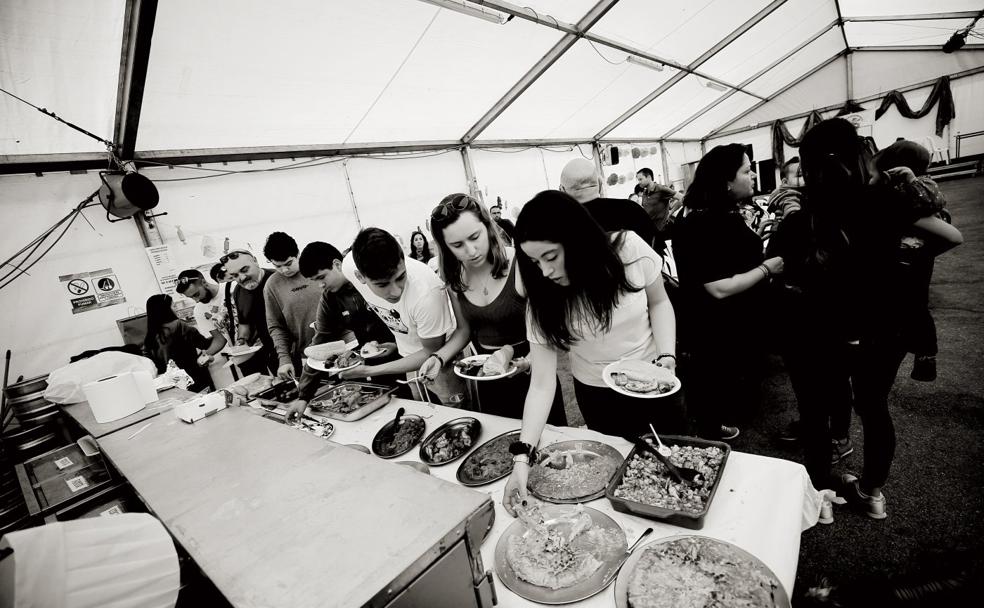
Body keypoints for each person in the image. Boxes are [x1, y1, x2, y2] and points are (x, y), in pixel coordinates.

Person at [768, 118, 915, 519]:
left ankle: (820, 499)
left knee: (816, 412)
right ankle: (871, 493)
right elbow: (938, 239)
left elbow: (777, 266)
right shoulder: (890, 206)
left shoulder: (803, 220)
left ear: (809, 166)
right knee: (874, 406)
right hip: (879, 327)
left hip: (817, 330)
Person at [502, 190, 678, 516]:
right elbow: (541, 384)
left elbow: (660, 301)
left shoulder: (629, 250)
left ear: (577, 238)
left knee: (672, 472)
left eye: (551, 257)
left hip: (655, 381)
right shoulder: (542, 294)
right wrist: (522, 459)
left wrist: (667, 357)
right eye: (534, 261)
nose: (544, 271)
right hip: (597, 395)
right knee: (620, 483)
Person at [419, 193, 567, 424]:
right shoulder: (455, 278)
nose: (471, 251)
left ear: (488, 227)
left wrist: (526, 362)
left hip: (533, 370)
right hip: (487, 376)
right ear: (445, 248)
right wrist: (438, 358)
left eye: (475, 237)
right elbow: (463, 330)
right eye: (457, 245)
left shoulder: (521, 264)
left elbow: (548, 330)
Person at [672, 144, 784, 441]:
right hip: (718, 325)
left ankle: (716, 417)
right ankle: (714, 426)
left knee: (721, 378)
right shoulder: (705, 222)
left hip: (726, 323)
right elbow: (718, 288)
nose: (753, 177)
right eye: (747, 171)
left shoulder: (716, 215)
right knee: (716, 380)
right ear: (726, 181)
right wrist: (768, 268)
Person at [871, 140, 963, 382]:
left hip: (906, 277)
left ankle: (926, 355)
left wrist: (912, 183)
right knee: (915, 306)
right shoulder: (892, 198)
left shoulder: (920, 189)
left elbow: (948, 226)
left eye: (873, 173)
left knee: (916, 307)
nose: (870, 179)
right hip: (904, 268)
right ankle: (924, 355)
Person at [338, 228, 458, 402]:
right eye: (382, 284)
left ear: (404, 259)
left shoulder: (426, 293)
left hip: (443, 360)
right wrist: (397, 344)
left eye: (401, 277)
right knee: (423, 409)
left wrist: (370, 371)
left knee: (453, 410)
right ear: (360, 277)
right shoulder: (349, 267)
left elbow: (431, 352)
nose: (395, 291)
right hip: (408, 359)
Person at [284, 241, 397, 420]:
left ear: (337, 264)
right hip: (370, 365)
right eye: (314, 281)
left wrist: (396, 345)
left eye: (321, 277)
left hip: (408, 357)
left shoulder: (371, 276)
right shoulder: (329, 299)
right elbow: (320, 344)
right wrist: (303, 396)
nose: (320, 285)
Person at [559, 158, 657, 249]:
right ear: (600, 183)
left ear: (562, 191)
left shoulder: (558, 227)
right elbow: (658, 253)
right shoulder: (631, 209)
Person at [262, 232, 321, 381]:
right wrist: (284, 359)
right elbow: (276, 326)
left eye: (288, 263)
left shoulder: (319, 269)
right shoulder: (272, 285)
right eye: (278, 266)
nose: (284, 270)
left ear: (298, 254)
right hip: (307, 356)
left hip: (344, 345)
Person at [222, 249, 277, 375]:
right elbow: (244, 323)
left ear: (255, 261)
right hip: (272, 352)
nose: (242, 278)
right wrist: (241, 340)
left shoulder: (277, 279)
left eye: (245, 270)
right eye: (235, 275)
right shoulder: (238, 292)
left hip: (297, 351)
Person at [142, 294, 213, 392]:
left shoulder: (150, 336)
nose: (176, 309)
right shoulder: (179, 325)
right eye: (173, 306)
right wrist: (217, 333)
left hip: (170, 384)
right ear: (165, 309)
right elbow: (204, 344)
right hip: (193, 378)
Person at [174, 269, 230, 361]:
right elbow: (220, 339)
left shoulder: (232, 287)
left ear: (203, 282)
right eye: (191, 297)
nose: (196, 300)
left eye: (196, 294)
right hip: (241, 354)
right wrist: (204, 356)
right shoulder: (199, 310)